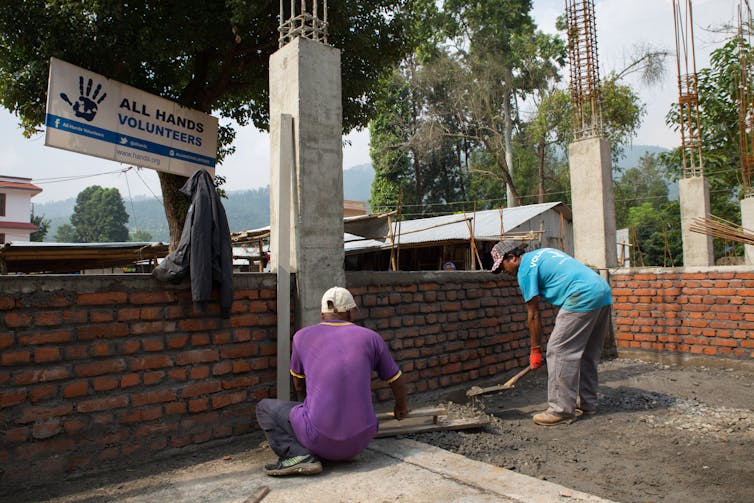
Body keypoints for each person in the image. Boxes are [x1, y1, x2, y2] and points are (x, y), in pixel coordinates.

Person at [256, 286, 410, 476]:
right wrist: (401, 407)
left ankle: (298, 456)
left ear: (322, 312)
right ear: (347, 312)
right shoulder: (371, 338)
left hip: (320, 438)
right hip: (361, 440)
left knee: (264, 407)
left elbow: (298, 384)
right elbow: (396, 379)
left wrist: (313, 411)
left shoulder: (301, 336)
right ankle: (339, 450)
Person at [490, 241, 612, 426]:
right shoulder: (544, 252)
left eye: (503, 266)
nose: (504, 272)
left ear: (513, 258)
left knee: (558, 351)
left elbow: (533, 315)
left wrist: (535, 350)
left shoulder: (524, 271)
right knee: (587, 352)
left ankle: (560, 410)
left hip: (582, 295)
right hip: (601, 290)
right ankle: (587, 403)